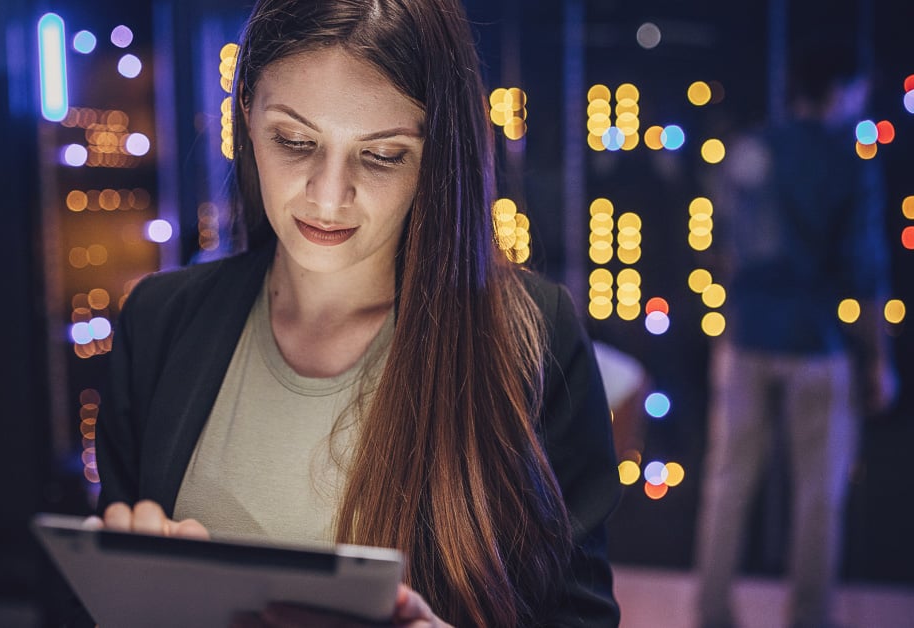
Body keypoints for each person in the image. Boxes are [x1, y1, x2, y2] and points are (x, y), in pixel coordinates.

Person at [81, 0, 621, 626]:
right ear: (247, 117)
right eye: (295, 140)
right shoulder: (158, 323)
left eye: (383, 155)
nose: (328, 196)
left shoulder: (531, 337)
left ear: (435, 156)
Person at [692, 46, 897, 628]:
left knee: (726, 484)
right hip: (817, 340)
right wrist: (880, 359)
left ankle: (710, 613)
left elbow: (724, 248)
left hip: (747, 334)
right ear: (839, 90)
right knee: (818, 497)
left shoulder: (750, 149)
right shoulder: (849, 160)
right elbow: (867, 268)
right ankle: (808, 618)